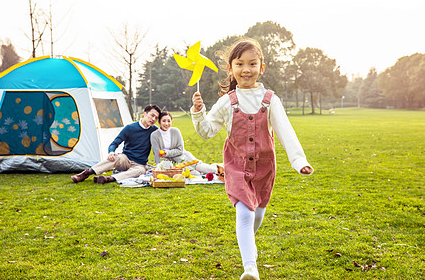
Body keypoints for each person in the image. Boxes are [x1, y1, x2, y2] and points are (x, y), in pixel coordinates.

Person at [190, 38, 313, 280]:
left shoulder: (270, 99)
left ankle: (247, 241)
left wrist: (299, 161)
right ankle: (250, 269)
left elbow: (285, 131)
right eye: (240, 64)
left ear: (261, 67)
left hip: (264, 170)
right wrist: (198, 112)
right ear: (231, 68)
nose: (246, 69)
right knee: (245, 213)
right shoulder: (227, 102)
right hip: (235, 166)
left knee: (256, 216)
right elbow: (206, 132)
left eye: (252, 64)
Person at [71, 104, 162, 184]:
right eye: (152, 115)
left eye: (156, 118)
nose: (153, 119)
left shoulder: (155, 130)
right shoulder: (130, 128)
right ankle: (86, 173)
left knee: (140, 171)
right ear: (145, 114)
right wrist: (111, 152)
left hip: (139, 164)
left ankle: (109, 179)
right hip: (125, 159)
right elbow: (114, 143)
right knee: (115, 158)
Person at [150, 111, 217, 174]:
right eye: (164, 121)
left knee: (207, 169)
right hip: (171, 164)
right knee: (196, 174)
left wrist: (166, 153)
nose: (166, 124)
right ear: (159, 122)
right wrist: (159, 167)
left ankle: (218, 168)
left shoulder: (176, 131)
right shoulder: (154, 135)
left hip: (184, 158)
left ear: (171, 121)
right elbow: (157, 154)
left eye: (169, 121)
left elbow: (180, 150)